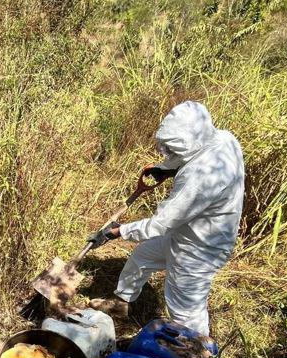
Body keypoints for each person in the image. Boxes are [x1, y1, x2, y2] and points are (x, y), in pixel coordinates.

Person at [88, 101, 244, 337]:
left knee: (186, 311)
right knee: (142, 256)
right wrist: (167, 168)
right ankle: (119, 305)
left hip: (199, 251)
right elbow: (190, 155)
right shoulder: (223, 139)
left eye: (172, 150)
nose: (168, 154)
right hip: (191, 231)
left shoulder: (198, 177)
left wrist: (119, 231)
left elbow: (161, 223)